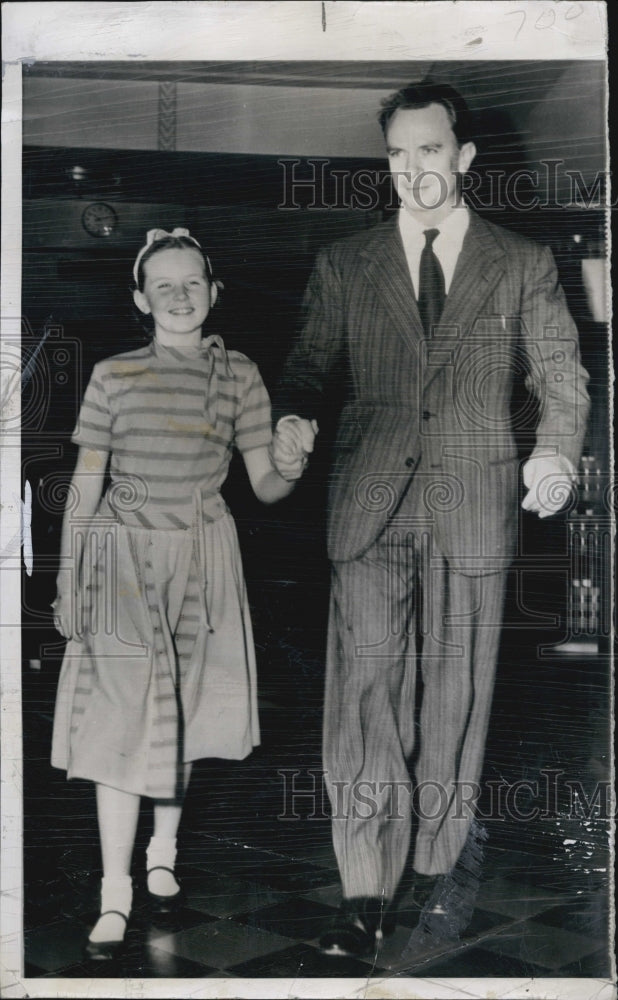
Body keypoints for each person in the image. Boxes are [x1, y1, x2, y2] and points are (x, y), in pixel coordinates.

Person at [274, 81, 591, 957]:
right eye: (397, 153)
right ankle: (365, 885)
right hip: (368, 509)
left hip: (475, 506)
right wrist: (293, 419)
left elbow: (559, 376)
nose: (411, 169)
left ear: (464, 157)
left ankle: (435, 868)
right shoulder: (346, 261)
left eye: (428, 150)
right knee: (366, 697)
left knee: (454, 703)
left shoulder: (522, 262)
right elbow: (305, 370)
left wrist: (554, 453)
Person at [50, 228, 316, 960]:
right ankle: (114, 890)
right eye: (162, 284)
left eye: (191, 280)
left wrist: (291, 460)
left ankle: (161, 850)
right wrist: (68, 578)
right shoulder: (112, 374)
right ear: (141, 299)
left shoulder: (242, 376)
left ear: (213, 289)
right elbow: (84, 485)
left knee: (184, 712)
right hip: (122, 561)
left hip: (204, 557)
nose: (178, 294)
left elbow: (265, 486)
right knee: (118, 724)